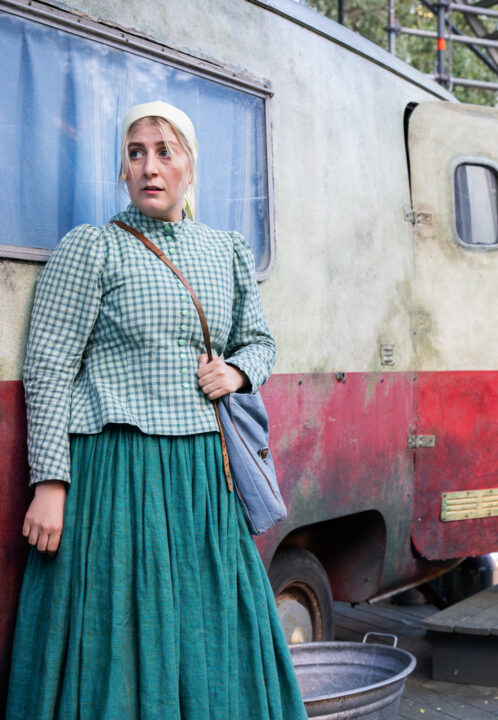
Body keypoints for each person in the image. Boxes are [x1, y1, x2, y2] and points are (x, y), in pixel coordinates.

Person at [7, 101, 307, 719]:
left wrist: (238, 370)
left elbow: (260, 339)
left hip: (202, 476)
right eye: (136, 153)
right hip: (117, 474)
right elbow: (50, 369)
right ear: (122, 170)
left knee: (208, 627)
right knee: (115, 628)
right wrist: (50, 482)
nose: (150, 167)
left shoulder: (225, 252)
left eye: (165, 152)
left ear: (190, 167)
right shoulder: (92, 248)